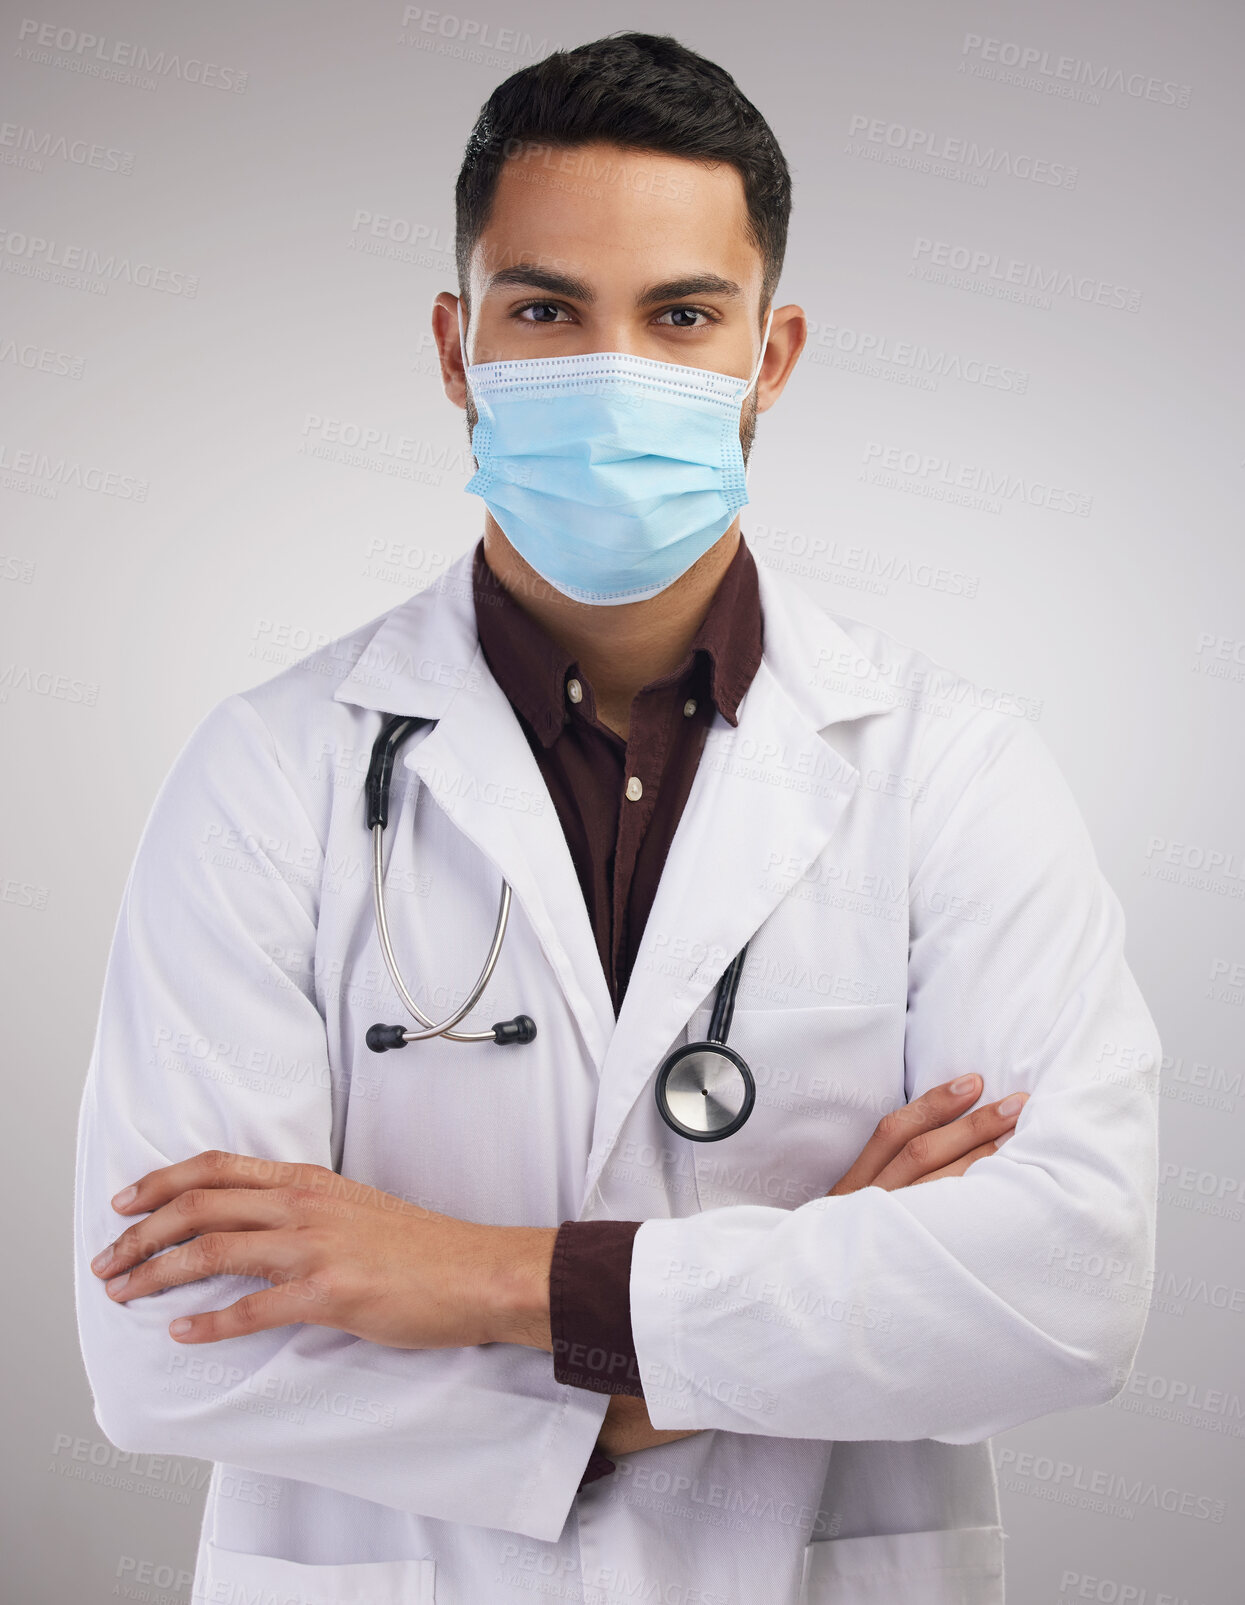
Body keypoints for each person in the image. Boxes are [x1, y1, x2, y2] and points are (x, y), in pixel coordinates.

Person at [73, 32, 1159, 1605]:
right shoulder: (266, 770)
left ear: (767, 358)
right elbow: (166, 1350)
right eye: (545, 310)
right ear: (457, 348)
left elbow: (1063, 1292)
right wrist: (787, 1306)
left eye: (679, 316)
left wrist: (480, 1276)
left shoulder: (952, 770)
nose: (612, 370)